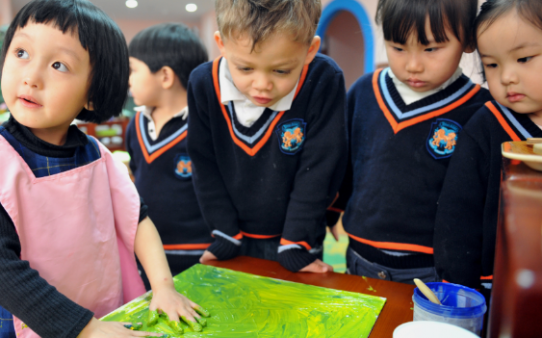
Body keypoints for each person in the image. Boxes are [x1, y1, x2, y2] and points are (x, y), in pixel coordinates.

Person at [0, 1, 205, 337]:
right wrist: (87, 330)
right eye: (21, 52)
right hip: (35, 325)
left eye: (58, 64)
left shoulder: (97, 154)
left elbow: (137, 219)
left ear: (92, 95)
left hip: (106, 316)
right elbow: (4, 271)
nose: (31, 77)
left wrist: (164, 287)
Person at [328, 0, 492, 284]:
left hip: (433, 273)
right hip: (359, 259)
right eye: (398, 47)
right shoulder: (364, 92)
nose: (413, 65)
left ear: (467, 40)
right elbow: (340, 164)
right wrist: (329, 215)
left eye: (431, 49)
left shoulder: (482, 112)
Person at [187, 0, 348, 273]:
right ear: (222, 44)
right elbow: (204, 165)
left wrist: (296, 242)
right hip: (230, 240)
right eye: (245, 68)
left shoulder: (324, 78)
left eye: (281, 70)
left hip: (299, 241)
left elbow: (320, 168)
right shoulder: (202, 84)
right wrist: (224, 233)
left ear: (309, 50)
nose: (262, 85)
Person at [434, 0, 542, 294]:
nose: (507, 77)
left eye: (524, 58)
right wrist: (459, 288)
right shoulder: (486, 127)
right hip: (498, 293)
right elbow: (458, 220)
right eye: (492, 64)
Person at [126, 23, 213, 290]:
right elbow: (137, 171)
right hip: (147, 254)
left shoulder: (206, 126)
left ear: (165, 76)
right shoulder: (135, 124)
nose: (127, 79)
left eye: (133, 69)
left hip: (200, 254)